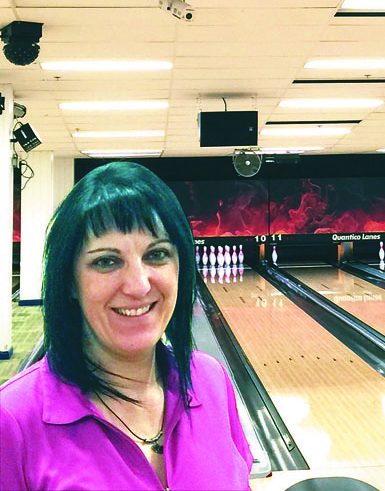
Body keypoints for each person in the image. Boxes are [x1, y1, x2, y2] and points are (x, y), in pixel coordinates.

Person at [0, 161, 253, 491]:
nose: (138, 285)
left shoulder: (211, 380)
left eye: (157, 255)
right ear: (71, 281)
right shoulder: (13, 419)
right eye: (106, 261)